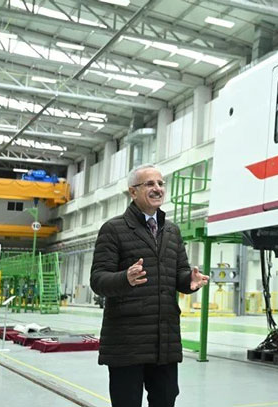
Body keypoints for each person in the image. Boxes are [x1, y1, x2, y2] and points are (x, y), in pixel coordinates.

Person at [90, 164, 210, 407]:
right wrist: (125, 278)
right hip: (127, 341)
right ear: (133, 192)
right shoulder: (113, 229)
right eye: (150, 184)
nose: (157, 188)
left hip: (164, 340)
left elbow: (179, 273)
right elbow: (98, 280)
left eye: (160, 183)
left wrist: (189, 281)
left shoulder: (172, 231)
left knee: (166, 399)